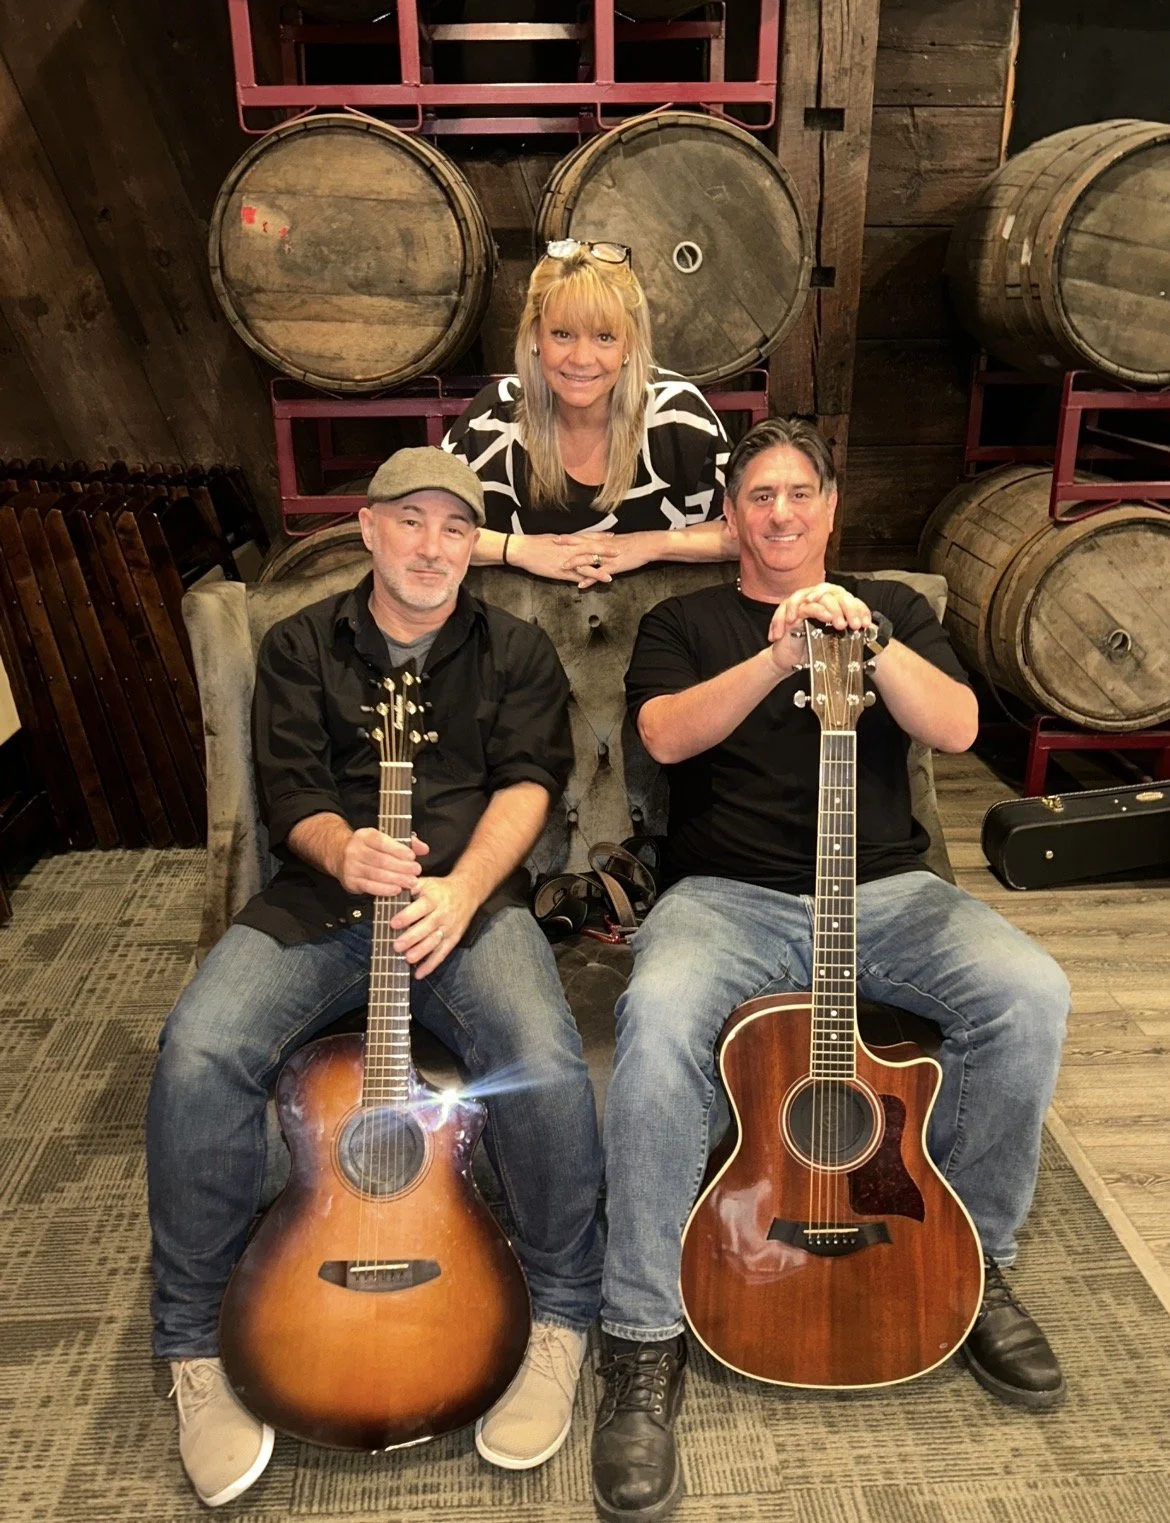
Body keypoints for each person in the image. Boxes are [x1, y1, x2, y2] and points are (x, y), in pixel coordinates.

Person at [591, 417, 1071, 1523]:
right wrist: (773, 655)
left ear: (830, 506)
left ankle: (973, 1258)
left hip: (888, 892)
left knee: (1030, 992)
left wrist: (870, 638)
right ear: (732, 516)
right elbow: (661, 738)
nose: (781, 514)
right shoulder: (684, 621)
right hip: (728, 897)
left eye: (799, 493)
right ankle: (641, 1331)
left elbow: (958, 728)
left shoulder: (893, 606)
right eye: (759, 496)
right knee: (657, 1018)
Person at [146, 448, 604, 1508]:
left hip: (460, 911)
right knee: (199, 1046)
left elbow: (528, 784)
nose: (432, 546)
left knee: (542, 1055)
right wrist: (339, 846)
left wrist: (464, 887)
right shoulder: (301, 644)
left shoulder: (516, 649)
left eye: (456, 528)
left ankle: (562, 1318)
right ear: (367, 527)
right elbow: (290, 792)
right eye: (411, 520)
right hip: (322, 905)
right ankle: (192, 1345)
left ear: (474, 545)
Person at [441, 238, 734, 590]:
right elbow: (428, 532)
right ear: (535, 336)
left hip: (666, 619)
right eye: (563, 334)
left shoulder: (678, 415)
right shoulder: (491, 420)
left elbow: (748, 533)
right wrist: (518, 549)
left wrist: (648, 545)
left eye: (604, 337)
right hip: (518, 621)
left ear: (629, 343)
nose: (582, 359)